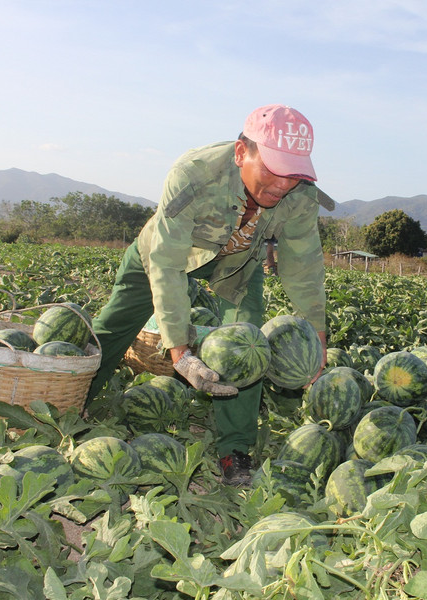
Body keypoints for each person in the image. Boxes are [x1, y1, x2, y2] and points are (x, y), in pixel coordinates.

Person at [88, 104, 332, 485]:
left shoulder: (300, 196)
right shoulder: (195, 174)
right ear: (241, 153)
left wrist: (318, 332)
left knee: (248, 343)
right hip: (168, 251)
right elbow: (166, 262)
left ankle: (235, 449)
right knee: (115, 323)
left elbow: (304, 266)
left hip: (235, 263)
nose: (283, 184)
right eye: (272, 169)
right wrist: (180, 351)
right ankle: (74, 403)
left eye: (293, 173)